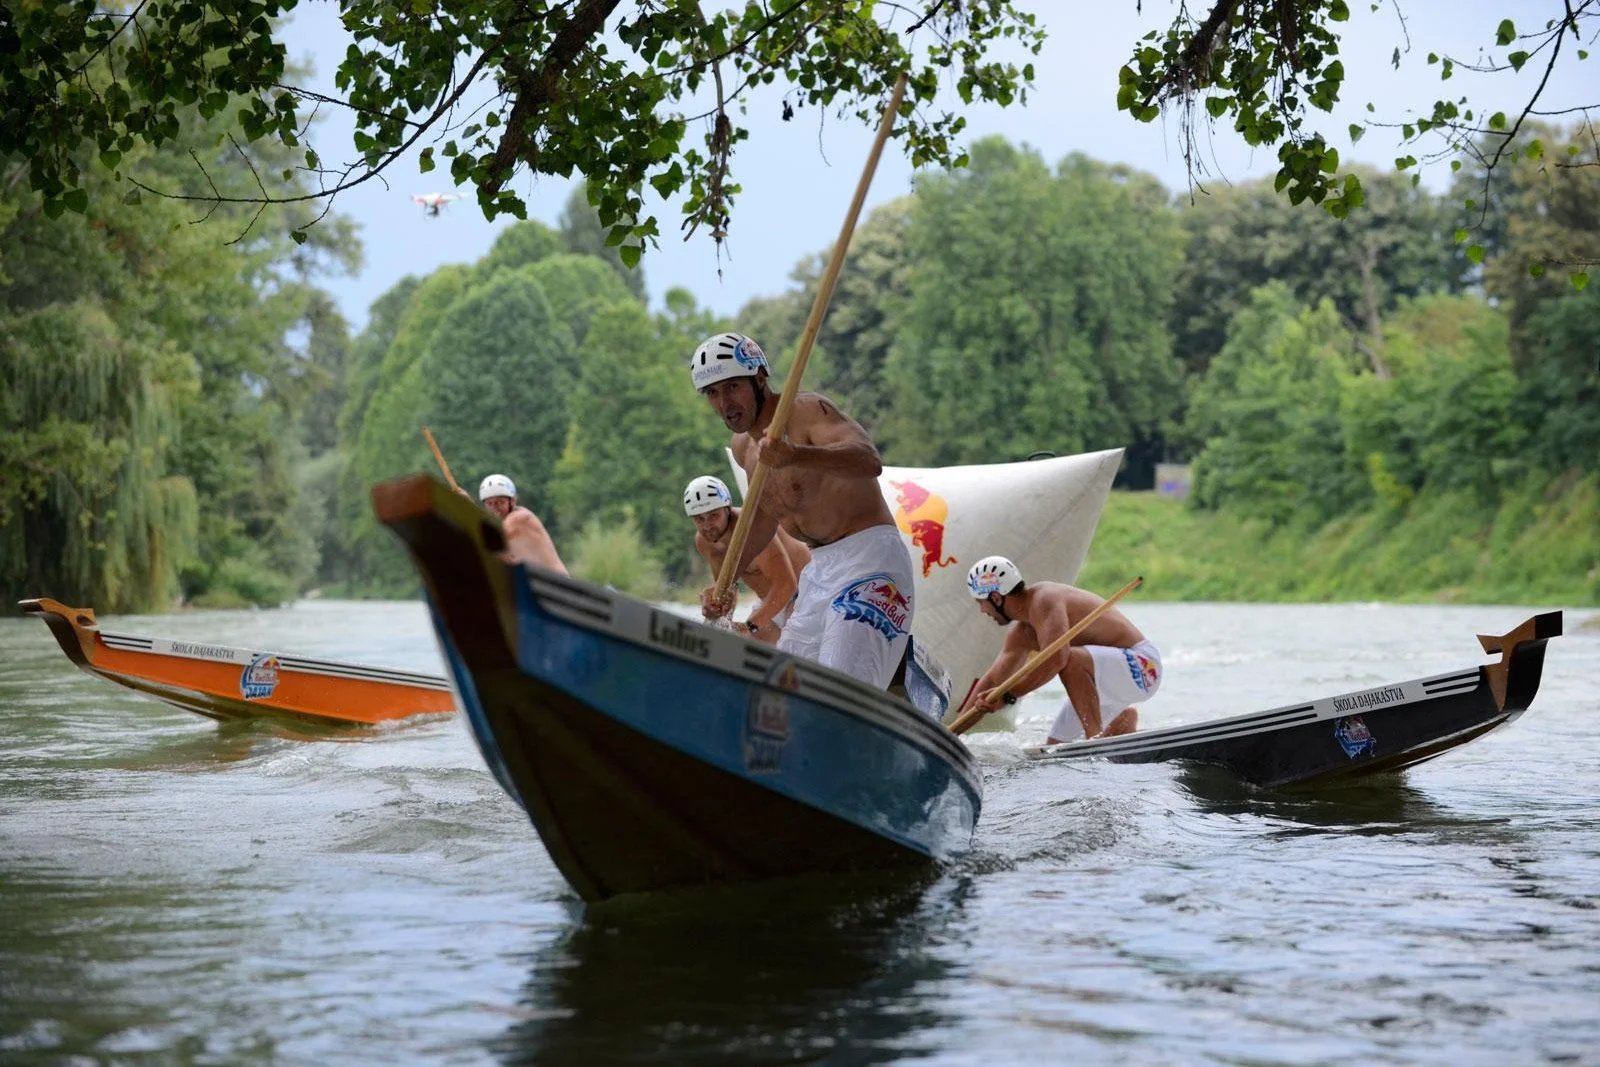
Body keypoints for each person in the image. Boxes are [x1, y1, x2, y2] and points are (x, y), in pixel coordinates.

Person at [690, 331, 913, 689]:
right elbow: (764, 517)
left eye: (733, 387)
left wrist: (797, 455)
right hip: (819, 570)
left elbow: (869, 460)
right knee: (786, 689)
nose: (724, 403)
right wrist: (726, 583)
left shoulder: (807, 410)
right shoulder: (742, 446)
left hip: (870, 558)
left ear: (759, 379)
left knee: (841, 686)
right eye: (713, 393)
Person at [957, 555, 1159, 742]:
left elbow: (1057, 659)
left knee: (1067, 656)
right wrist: (952, 732)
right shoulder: (1021, 634)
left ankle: (1096, 738)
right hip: (1103, 680)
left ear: (996, 598)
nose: (982, 610)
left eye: (981, 602)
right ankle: (1121, 722)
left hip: (1143, 667)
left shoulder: (1045, 599)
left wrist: (1009, 696)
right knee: (1056, 747)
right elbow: (992, 681)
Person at [683, 475, 811, 644]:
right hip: (771, 603)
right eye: (699, 519)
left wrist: (749, 626)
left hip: (805, 593)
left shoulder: (752, 529)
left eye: (713, 515)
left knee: (778, 644)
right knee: (734, 643)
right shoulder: (704, 542)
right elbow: (728, 591)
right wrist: (716, 612)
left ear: (727, 509)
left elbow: (787, 585)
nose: (707, 526)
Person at [465, 474, 569, 575]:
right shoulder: (503, 527)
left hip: (558, 587)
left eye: (500, 502)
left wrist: (467, 507)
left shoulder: (520, 518)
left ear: (513, 501)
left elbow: (490, 538)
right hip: (538, 586)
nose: (494, 508)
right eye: (489, 503)